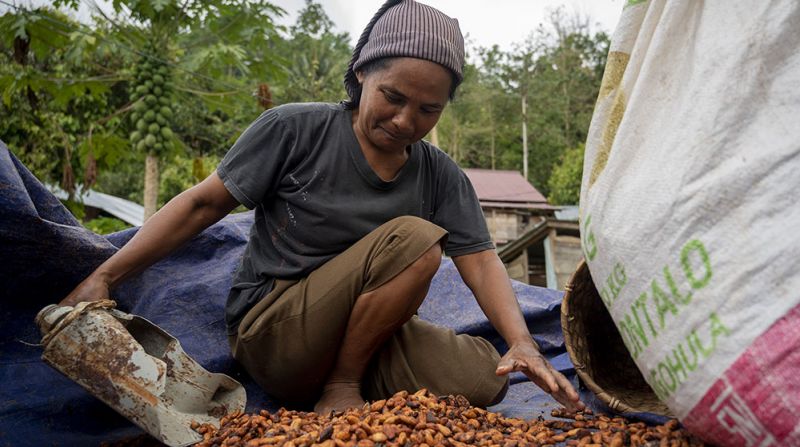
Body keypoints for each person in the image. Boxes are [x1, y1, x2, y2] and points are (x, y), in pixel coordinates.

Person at [62, 0, 583, 415]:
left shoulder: (440, 173)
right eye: (393, 97)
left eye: (428, 110)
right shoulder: (293, 130)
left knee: (483, 381)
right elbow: (201, 205)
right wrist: (105, 277)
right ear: (360, 74)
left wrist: (521, 342)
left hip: (370, 336)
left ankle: (353, 381)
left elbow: (483, 259)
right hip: (277, 333)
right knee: (417, 240)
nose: (405, 121)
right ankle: (340, 387)